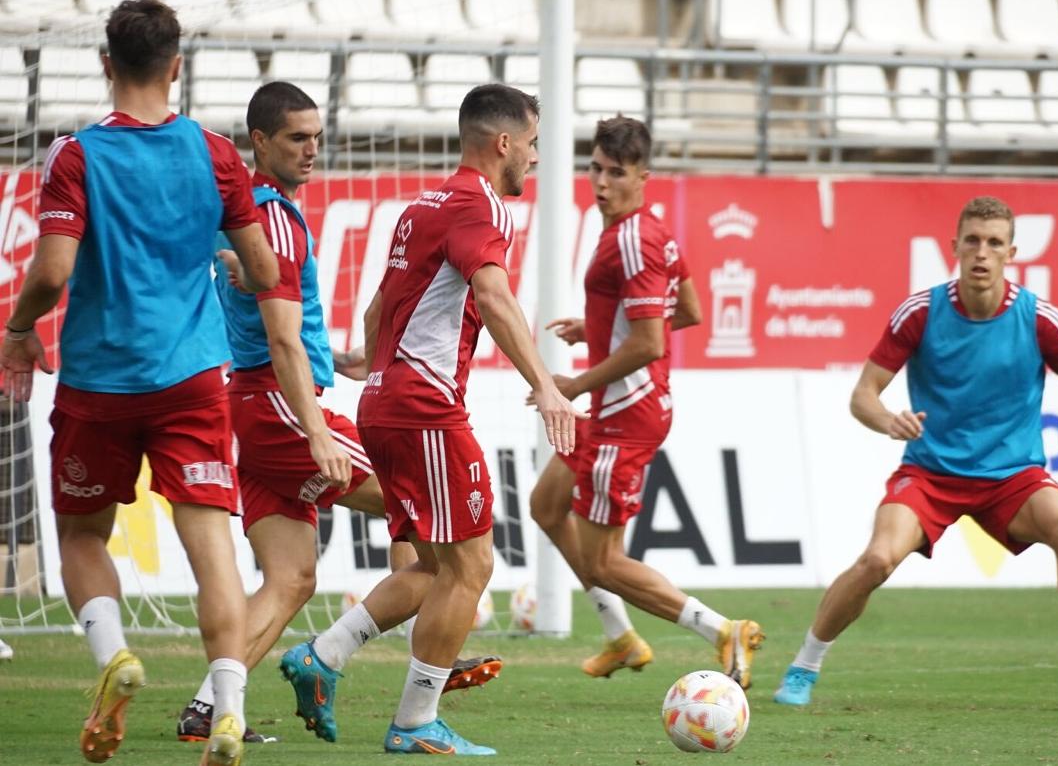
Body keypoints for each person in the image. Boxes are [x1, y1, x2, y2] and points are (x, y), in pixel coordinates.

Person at [175, 81, 499, 747]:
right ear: (259, 142)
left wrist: (349, 357)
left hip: (252, 407)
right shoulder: (274, 223)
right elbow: (285, 339)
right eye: (297, 137)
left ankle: (209, 706)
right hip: (283, 407)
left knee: (292, 577)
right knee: (444, 542)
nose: (312, 149)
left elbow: (248, 282)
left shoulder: (251, 220)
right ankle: (391, 646)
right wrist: (317, 428)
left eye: (317, 136)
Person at [0, 0, 280, 765]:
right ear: (176, 66)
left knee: (83, 536)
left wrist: (19, 331)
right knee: (212, 550)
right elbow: (264, 271)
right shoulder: (217, 154)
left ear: (105, 64)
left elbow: (52, 272)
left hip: (99, 380)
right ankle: (226, 709)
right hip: (191, 377)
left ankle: (115, 658)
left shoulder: (75, 156)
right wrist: (212, 267)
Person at [772, 196, 1058, 712]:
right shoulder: (920, 313)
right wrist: (888, 420)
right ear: (954, 248)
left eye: (993, 243)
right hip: (930, 474)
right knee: (877, 558)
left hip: (1012, 477)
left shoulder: (1040, 319)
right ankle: (803, 668)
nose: (981, 253)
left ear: (1011, 252)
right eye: (972, 241)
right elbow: (862, 396)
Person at [278, 83, 581, 755]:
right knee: (472, 568)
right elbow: (494, 294)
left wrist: (368, 361)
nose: (534, 157)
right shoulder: (481, 205)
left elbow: (380, 306)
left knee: (436, 568)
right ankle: (415, 720)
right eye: (532, 144)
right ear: (503, 143)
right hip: (425, 410)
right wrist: (547, 387)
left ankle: (322, 656)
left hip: (386, 403)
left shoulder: (424, 205)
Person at [530, 115, 764, 689]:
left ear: (643, 177)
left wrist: (575, 385)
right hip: (626, 408)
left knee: (607, 560)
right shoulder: (652, 232)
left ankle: (721, 631)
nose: (602, 183)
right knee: (545, 504)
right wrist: (600, 329)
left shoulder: (632, 237)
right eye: (596, 168)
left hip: (624, 415)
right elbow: (687, 311)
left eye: (617, 173)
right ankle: (620, 635)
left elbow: (651, 340)